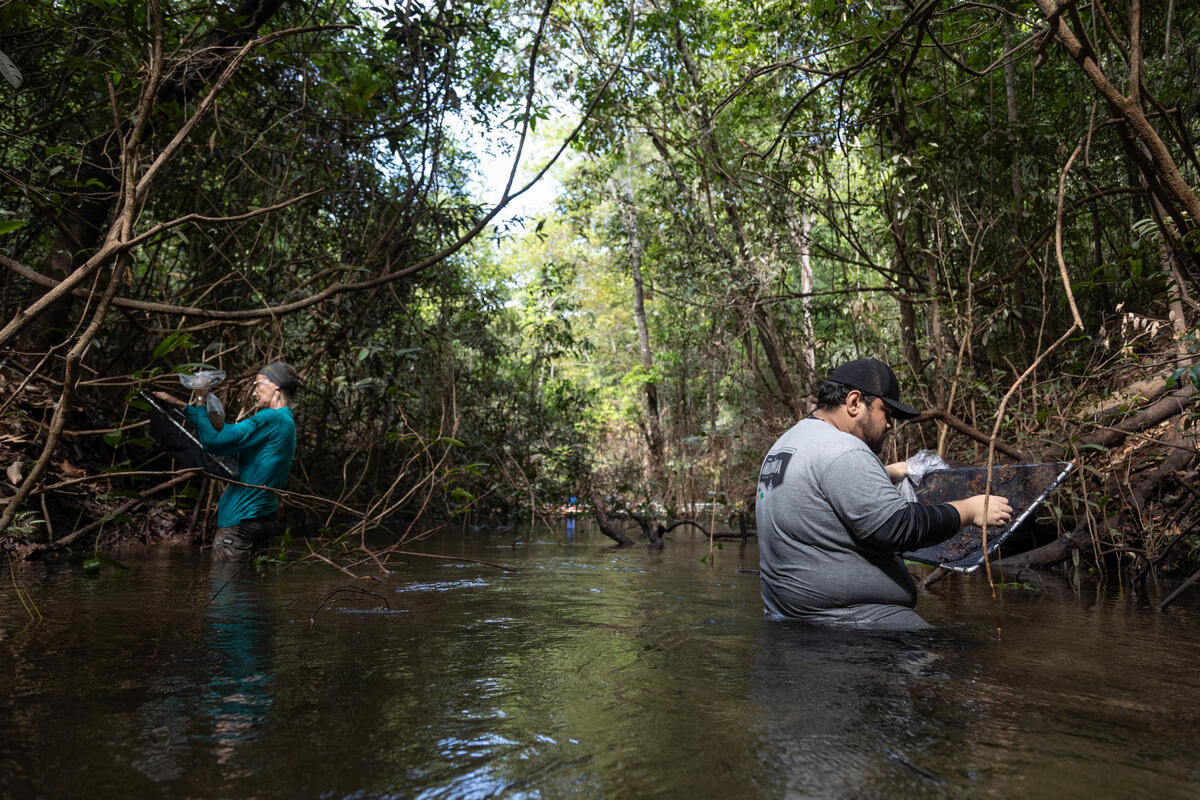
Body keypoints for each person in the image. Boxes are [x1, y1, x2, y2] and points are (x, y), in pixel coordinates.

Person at [755, 358, 1012, 630]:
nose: (889, 425)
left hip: (794, 618)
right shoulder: (844, 450)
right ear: (854, 402)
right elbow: (899, 527)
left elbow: (816, 488)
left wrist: (885, 473)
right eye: (886, 413)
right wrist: (970, 510)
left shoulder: (790, 442)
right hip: (849, 626)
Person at [157, 361, 299, 561]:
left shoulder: (270, 418)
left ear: (275, 385)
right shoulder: (285, 422)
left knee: (228, 591)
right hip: (262, 520)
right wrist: (183, 407)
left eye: (257, 384)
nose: (253, 393)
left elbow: (215, 441)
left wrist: (200, 398)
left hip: (240, 523)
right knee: (252, 589)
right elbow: (230, 434)